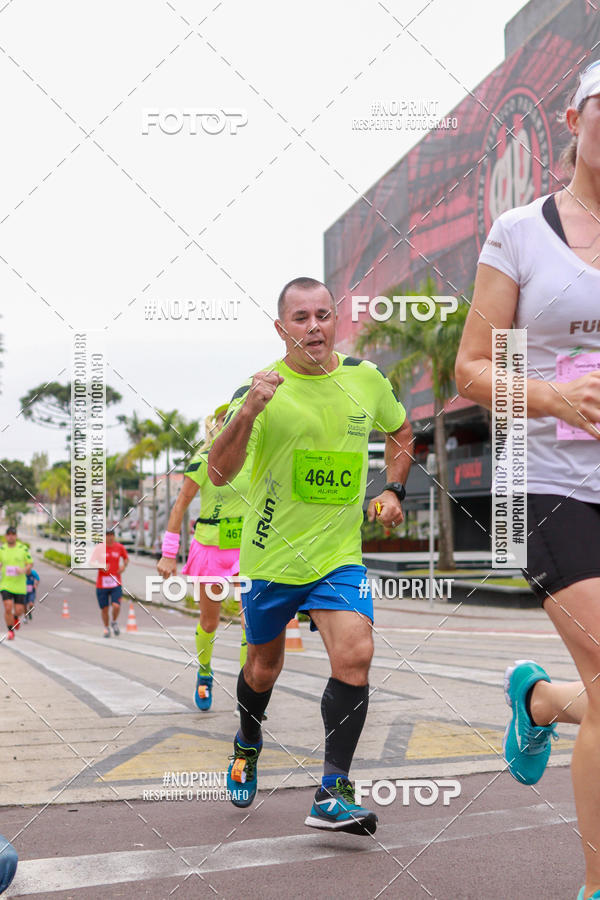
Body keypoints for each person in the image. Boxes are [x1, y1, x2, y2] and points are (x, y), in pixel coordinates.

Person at [455, 60, 600, 900]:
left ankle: (540, 701)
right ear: (573, 120)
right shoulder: (520, 231)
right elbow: (471, 369)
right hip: (548, 483)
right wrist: (552, 396)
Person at [208, 276, 413, 834]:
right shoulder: (260, 390)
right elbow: (219, 472)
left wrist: (393, 489)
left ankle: (332, 791)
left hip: (338, 557)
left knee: (356, 653)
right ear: (282, 329)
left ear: (336, 320)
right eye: (301, 318)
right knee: (263, 668)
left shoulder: (365, 379)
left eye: (323, 314)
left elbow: (401, 430)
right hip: (271, 558)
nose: (314, 327)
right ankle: (247, 742)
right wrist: (248, 412)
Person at [158, 403, 253, 712]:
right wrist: (168, 554)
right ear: (216, 425)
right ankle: (204, 672)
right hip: (210, 548)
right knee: (209, 622)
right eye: (225, 418)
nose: (231, 421)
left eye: (236, 415)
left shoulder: (255, 456)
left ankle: (248, 692)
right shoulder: (204, 459)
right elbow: (180, 504)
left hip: (247, 549)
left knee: (250, 622)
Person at [0, 526, 33, 641]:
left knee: (19, 610)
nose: (11, 536)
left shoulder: (23, 548)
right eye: (8, 534)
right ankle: (10, 631)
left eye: (13, 534)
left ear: (16, 536)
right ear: (6, 536)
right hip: (6, 584)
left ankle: (14, 618)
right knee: (8, 607)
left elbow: (30, 563)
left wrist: (23, 570)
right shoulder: (2, 549)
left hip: (19, 585)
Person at [95, 529, 128, 637]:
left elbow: (126, 558)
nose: (110, 537)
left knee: (116, 605)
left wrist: (123, 566)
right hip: (102, 584)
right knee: (105, 609)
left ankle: (114, 622)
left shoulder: (119, 547)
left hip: (115, 583)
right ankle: (106, 627)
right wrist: (101, 566)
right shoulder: (99, 548)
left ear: (114, 536)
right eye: (107, 535)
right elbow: (91, 562)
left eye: (111, 535)